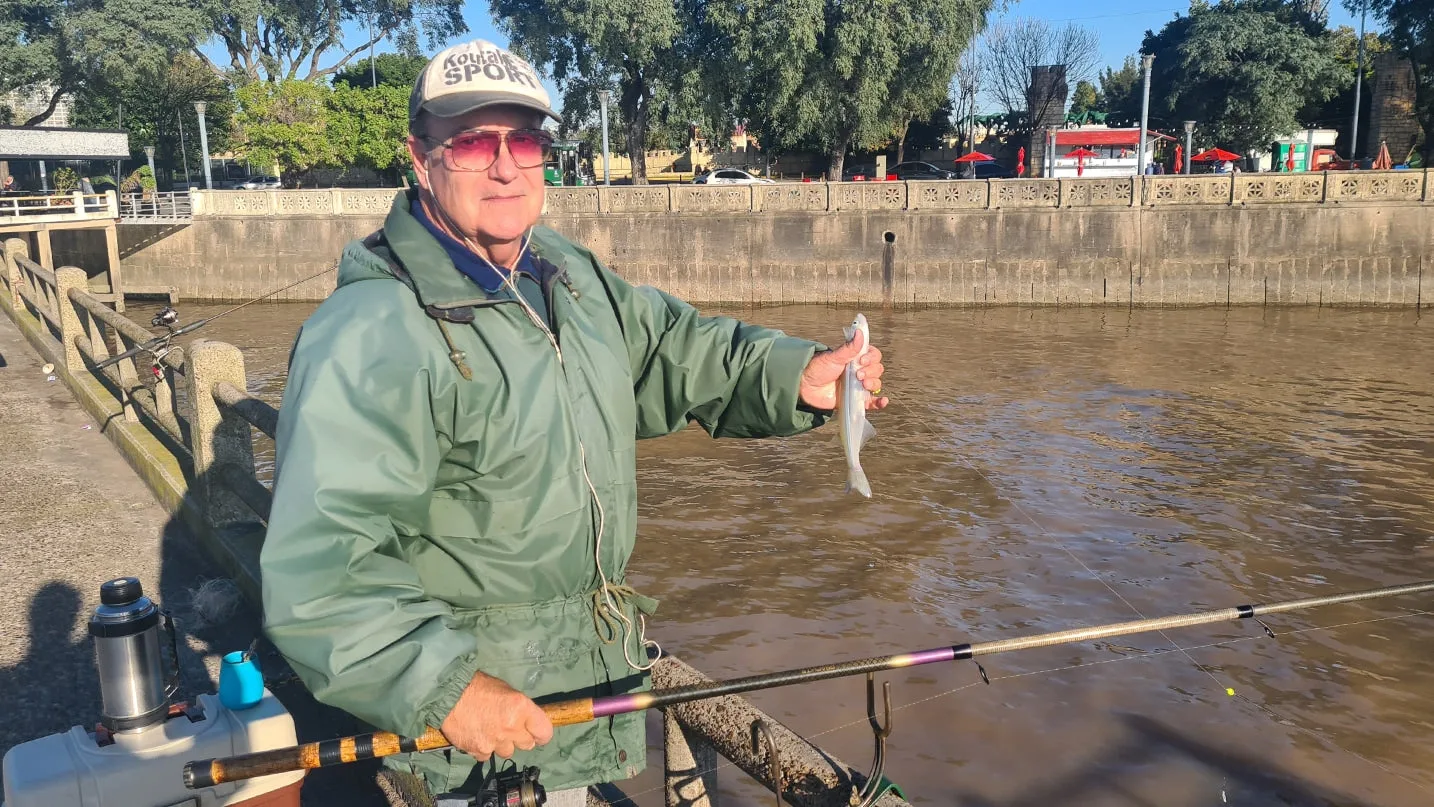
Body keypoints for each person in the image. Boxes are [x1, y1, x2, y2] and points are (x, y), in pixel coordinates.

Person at [260, 39, 889, 804]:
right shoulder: (370, 330)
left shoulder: (566, 274)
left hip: (577, 699)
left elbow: (674, 350)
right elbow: (323, 566)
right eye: (473, 142)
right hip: (464, 747)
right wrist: (446, 686)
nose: (505, 166)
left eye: (524, 140)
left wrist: (797, 375)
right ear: (421, 158)